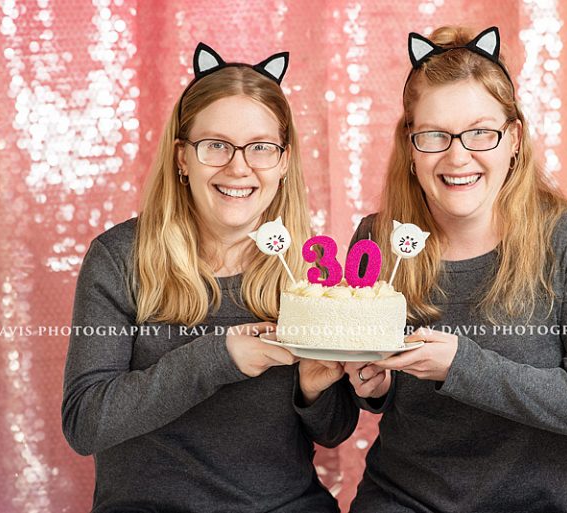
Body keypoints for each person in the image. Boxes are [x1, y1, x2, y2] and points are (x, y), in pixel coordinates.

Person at [344, 26, 567, 513]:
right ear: (410, 145)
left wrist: (462, 366)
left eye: (481, 132)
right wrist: (371, 387)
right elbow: (365, 394)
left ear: (514, 138)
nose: (458, 156)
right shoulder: (378, 240)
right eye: (435, 135)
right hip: (402, 499)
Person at [61, 42, 358, 513]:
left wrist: (313, 388)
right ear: (182, 157)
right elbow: (86, 422)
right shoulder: (120, 258)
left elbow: (334, 430)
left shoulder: (307, 267)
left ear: (283, 161)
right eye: (215, 145)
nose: (238, 167)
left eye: (260, 148)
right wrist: (218, 358)